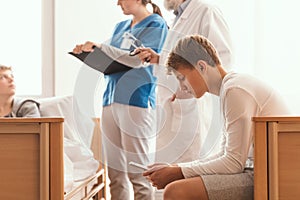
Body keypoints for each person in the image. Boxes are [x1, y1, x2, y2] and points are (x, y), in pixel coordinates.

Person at [142, 35, 291, 200]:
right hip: (261, 171)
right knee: (178, 185)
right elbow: (224, 154)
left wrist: (178, 172)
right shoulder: (230, 88)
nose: (182, 87)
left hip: (272, 177)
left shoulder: (235, 90)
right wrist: (176, 168)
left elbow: (233, 163)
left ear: (201, 66)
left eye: (182, 78)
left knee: (175, 191)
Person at [72, 0, 168, 199]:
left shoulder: (155, 24)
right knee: (115, 175)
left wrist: (100, 46)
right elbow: (111, 59)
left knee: (138, 175)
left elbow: (138, 58)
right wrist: (91, 54)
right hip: (110, 100)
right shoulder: (120, 27)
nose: (118, 3)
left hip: (136, 102)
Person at [136, 0, 233, 166]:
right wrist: (160, 59)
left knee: (188, 170)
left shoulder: (206, 11)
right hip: (171, 106)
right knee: (165, 172)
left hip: (192, 107)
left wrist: (189, 90)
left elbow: (222, 58)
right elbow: (182, 60)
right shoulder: (178, 17)